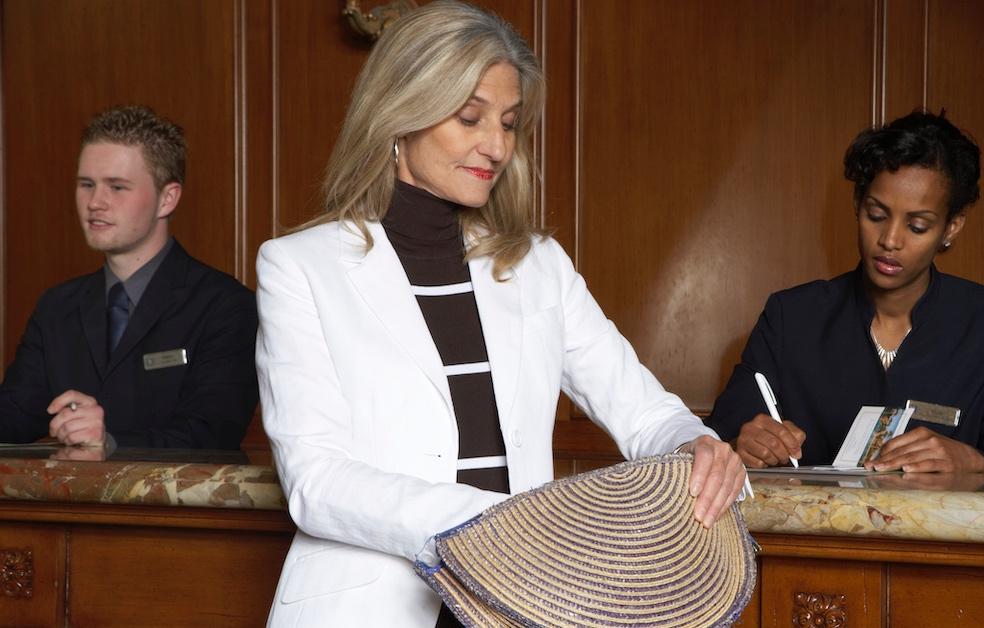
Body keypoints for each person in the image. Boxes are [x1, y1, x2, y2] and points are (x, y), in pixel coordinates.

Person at [252, 2, 745, 626]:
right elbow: (315, 482)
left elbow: (645, 412)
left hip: (523, 603)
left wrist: (696, 446)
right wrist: (491, 526)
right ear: (401, 114)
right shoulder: (298, 267)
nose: (497, 146)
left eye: (509, 123)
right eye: (470, 118)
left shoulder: (539, 265)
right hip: (367, 606)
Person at [707, 110, 984, 475]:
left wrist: (973, 461)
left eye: (917, 226)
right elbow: (718, 438)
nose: (890, 240)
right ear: (857, 204)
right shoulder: (791, 317)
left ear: (951, 227)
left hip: (941, 532)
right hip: (808, 532)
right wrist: (742, 444)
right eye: (876, 215)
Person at [0, 105, 258, 450]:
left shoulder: (226, 306)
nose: (95, 202)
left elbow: (212, 434)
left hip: (174, 505)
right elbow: (12, 418)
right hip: (64, 504)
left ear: (167, 199)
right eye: (86, 184)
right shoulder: (56, 307)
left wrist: (110, 441)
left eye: (117, 187)